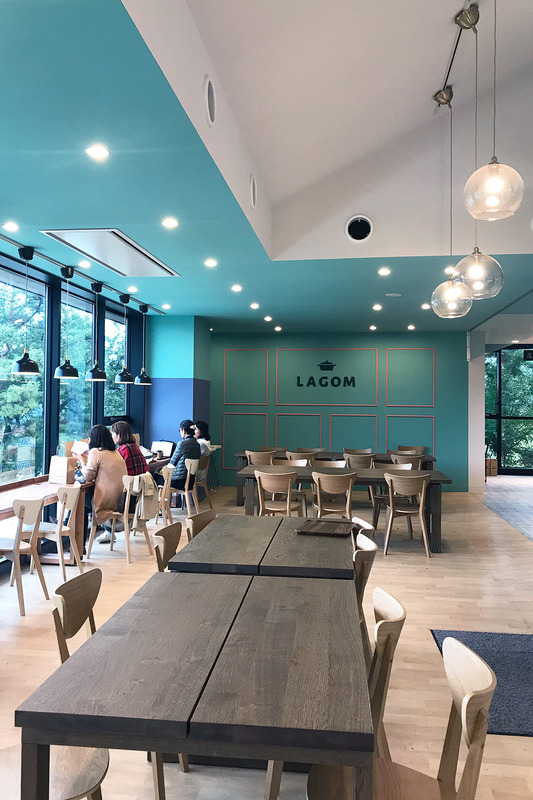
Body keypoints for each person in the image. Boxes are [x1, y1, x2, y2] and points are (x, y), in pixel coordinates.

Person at [78, 424, 127, 545]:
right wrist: (89, 457)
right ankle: (68, 528)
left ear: (94, 439)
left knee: (78, 502)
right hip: (121, 499)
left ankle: (78, 544)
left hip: (107, 501)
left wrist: (81, 460)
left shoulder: (95, 451)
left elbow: (88, 476)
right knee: (81, 500)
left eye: (89, 438)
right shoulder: (115, 452)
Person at [154, 419, 200, 492]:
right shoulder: (197, 444)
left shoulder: (182, 444)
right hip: (190, 481)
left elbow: (172, 463)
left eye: (180, 431)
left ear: (184, 431)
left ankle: (160, 499)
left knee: (154, 477)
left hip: (179, 481)